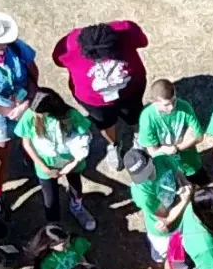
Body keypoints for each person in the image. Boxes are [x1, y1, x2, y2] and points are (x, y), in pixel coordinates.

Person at [53, 20, 147, 166]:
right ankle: (114, 144)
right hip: (94, 101)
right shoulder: (68, 45)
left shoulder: (125, 30)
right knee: (105, 123)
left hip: (130, 92)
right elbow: (58, 59)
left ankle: (139, 138)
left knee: (134, 115)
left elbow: (143, 41)